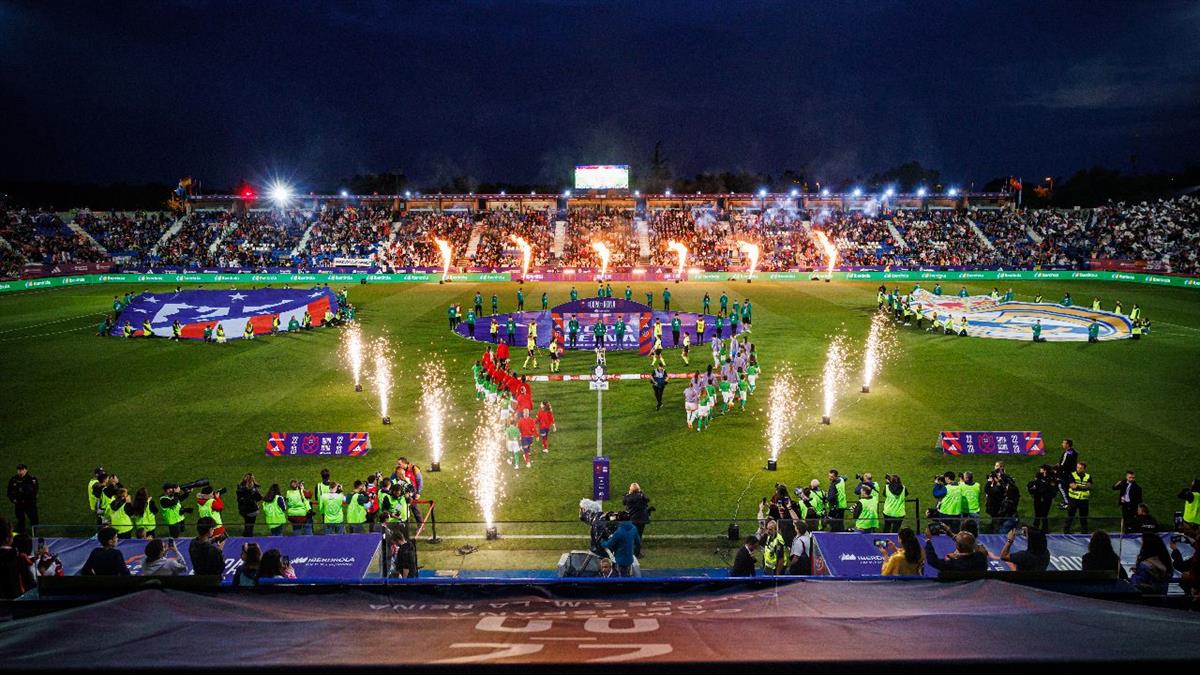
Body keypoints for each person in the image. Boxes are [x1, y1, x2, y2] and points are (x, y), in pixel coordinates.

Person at [0, 517, 36, 597]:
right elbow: (30, 583)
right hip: (16, 603)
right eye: (11, 533)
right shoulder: (18, 557)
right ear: (7, 539)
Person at [7, 464, 38, 534]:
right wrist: (13, 499)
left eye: (22, 470)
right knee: (20, 520)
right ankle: (21, 534)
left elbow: (34, 491)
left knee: (34, 519)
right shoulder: (13, 479)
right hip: (19, 504)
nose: (20, 471)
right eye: (19, 470)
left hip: (30, 504)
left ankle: (34, 534)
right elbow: (9, 492)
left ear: (26, 470)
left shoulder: (32, 479)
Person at [1064, 461, 1092, 534]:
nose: (1078, 469)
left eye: (1080, 468)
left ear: (1084, 469)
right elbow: (1073, 486)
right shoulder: (1072, 475)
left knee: (1083, 517)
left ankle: (1084, 532)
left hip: (1084, 500)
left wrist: (1078, 486)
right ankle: (1066, 531)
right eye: (1077, 467)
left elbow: (1089, 486)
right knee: (1070, 515)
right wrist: (1084, 487)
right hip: (1073, 499)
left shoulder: (1088, 476)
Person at [623, 483, 652, 555]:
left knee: (630, 536)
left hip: (631, 519)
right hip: (641, 519)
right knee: (638, 536)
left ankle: (629, 552)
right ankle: (637, 553)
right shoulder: (641, 496)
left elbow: (624, 502)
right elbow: (647, 500)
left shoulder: (628, 497)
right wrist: (641, 493)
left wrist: (628, 494)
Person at [1027, 465, 1056, 532]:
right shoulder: (1039, 476)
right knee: (1037, 513)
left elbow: (1052, 490)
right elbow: (1035, 485)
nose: (1040, 469)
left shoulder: (1051, 479)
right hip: (1038, 498)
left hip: (1046, 500)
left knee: (1044, 514)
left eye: (1042, 468)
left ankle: (1045, 529)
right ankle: (1035, 528)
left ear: (1045, 470)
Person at [236, 473, 263, 537]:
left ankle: (245, 536)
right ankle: (249, 538)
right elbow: (259, 498)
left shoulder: (241, 488)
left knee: (247, 523)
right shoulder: (254, 490)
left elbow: (239, 499)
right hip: (252, 510)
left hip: (244, 510)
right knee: (250, 525)